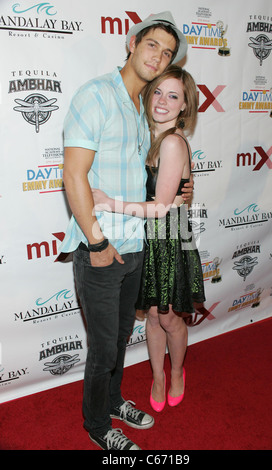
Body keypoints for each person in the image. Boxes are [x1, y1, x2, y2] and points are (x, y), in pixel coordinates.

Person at [60, 12, 192, 451]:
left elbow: (156, 173)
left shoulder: (142, 109)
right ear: (132, 43)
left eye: (168, 52)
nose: (159, 56)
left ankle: (114, 400)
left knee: (119, 340)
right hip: (103, 247)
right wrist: (96, 242)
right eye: (152, 45)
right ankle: (97, 424)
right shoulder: (96, 95)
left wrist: (182, 189)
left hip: (137, 246)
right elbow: (74, 176)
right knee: (101, 348)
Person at [92, 65, 206, 414]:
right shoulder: (142, 135)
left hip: (168, 238)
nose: (162, 101)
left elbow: (159, 208)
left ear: (184, 107)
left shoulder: (172, 143)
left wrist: (109, 203)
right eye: (158, 92)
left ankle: (175, 372)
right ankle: (157, 377)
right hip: (144, 237)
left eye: (173, 96)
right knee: (153, 318)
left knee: (169, 316)